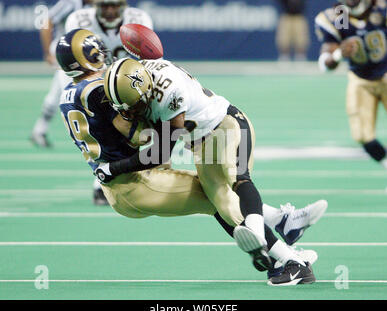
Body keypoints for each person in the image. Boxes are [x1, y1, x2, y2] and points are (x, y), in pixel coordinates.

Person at [57, 28, 327, 286]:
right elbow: (140, 136)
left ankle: (283, 228)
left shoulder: (71, 94)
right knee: (219, 198)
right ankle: (290, 260)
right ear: (88, 56)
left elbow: (151, 136)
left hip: (127, 181)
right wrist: (123, 159)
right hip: (135, 180)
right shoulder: (103, 89)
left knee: (220, 192)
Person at [64, 0, 153, 205]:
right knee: (103, 133)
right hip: (93, 85)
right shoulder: (79, 20)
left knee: (141, 127)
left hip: (127, 83)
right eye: (105, 6)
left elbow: (147, 59)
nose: (110, 11)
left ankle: (151, 166)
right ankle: (100, 184)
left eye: (114, 5)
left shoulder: (139, 19)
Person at [315, 0, 387, 178]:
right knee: (363, 135)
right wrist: (339, 54)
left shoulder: (381, 8)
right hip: (361, 80)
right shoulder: (339, 17)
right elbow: (325, 62)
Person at [30, 0, 93, 148]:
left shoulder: (97, 7)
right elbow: (47, 22)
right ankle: (85, 135)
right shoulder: (71, 3)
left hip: (78, 54)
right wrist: (48, 52)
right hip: (65, 51)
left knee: (57, 92)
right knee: (71, 91)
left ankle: (39, 130)